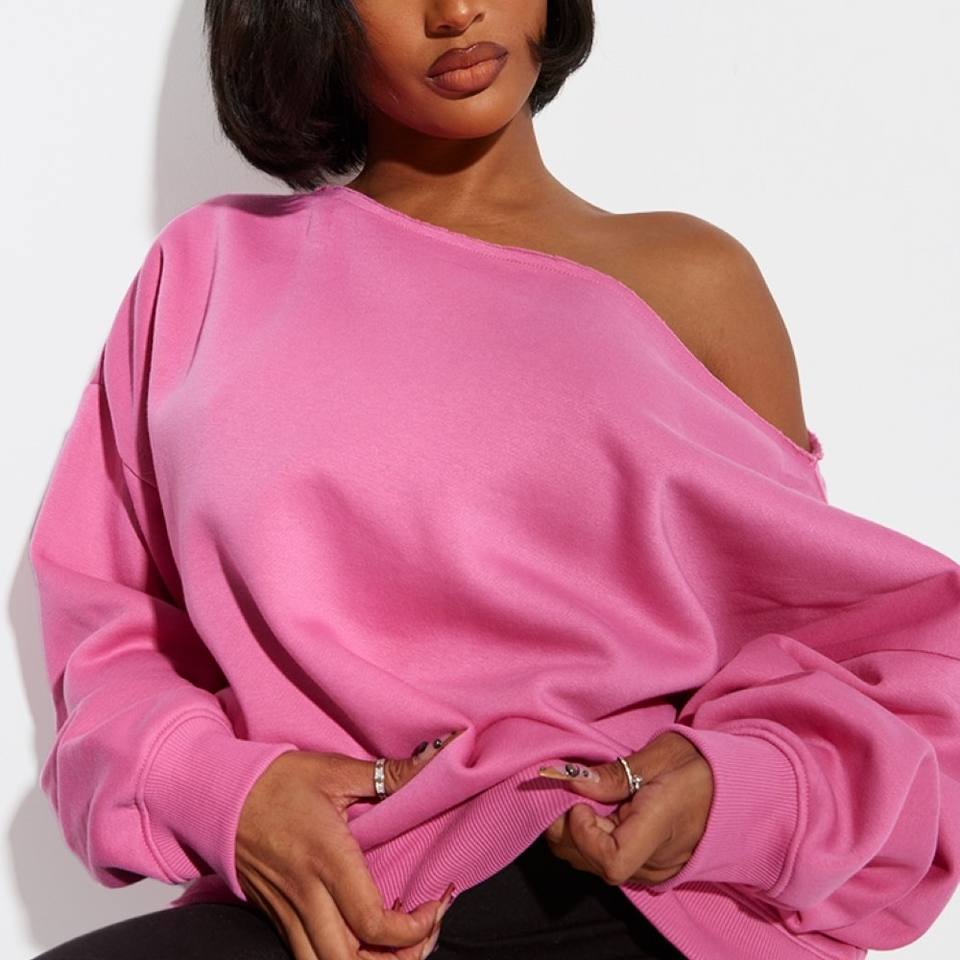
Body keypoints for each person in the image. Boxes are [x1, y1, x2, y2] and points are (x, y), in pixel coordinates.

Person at [26, 2, 960, 959]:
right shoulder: (206, 274)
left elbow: (836, 652)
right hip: (328, 905)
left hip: (627, 896)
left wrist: (728, 789)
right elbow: (109, 637)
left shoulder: (691, 280)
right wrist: (228, 793)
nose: (455, 11)